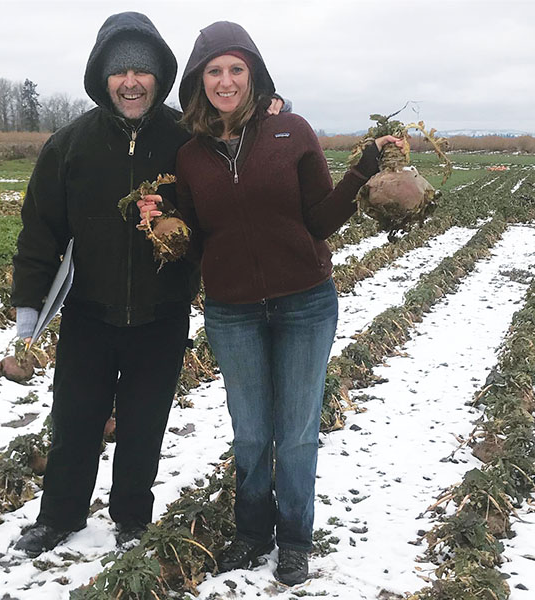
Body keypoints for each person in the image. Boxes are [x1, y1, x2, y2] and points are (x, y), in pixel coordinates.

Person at [11, 12, 286, 558]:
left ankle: (132, 516)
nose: (130, 82)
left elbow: (243, 150)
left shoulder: (187, 140)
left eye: (141, 70)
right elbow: (40, 229)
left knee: (145, 422)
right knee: (75, 419)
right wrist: (29, 306)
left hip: (162, 313)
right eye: (119, 72)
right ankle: (59, 517)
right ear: (101, 78)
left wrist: (277, 110)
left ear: (160, 77)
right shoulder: (70, 146)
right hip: (88, 311)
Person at [139, 21, 403, 586]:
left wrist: (361, 171)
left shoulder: (293, 131)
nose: (226, 81)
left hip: (305, 303)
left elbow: (321, 220)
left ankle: (295, 540)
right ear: (198, 80)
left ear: (254, 75)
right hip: (232, 310)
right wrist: (159, 224)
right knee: (252, 431)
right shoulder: (189, 155)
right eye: (214, 71)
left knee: (298, 430)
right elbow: (195, 240)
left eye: (237, 69)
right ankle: (252, 533)